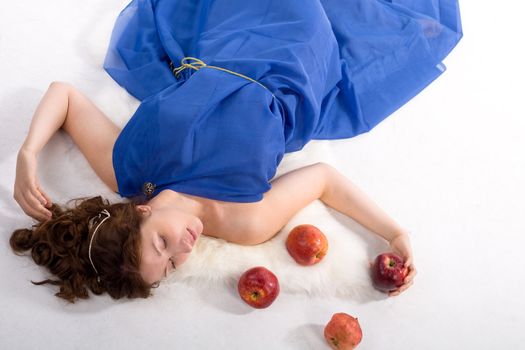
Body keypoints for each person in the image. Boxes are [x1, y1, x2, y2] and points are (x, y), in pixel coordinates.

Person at [10, 0, 462, 302]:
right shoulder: (243, 223)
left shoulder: (128, 170)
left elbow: (64, 96)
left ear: (141, 213)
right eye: (170, 268)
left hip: (228, 33)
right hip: (296, 62)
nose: (182, 250)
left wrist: (28, 154)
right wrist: (394, 233)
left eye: (161, 245)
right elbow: (324, 180)